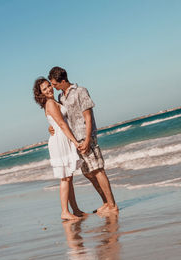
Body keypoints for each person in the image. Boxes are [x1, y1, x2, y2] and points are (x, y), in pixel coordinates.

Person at [48, 66, 118, 214]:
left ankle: (112, 205)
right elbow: (62, 120)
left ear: (63, 80)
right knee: (88, 173)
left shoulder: (81, 91)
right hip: (74, 142)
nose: (53, 87)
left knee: (98, 170)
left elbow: (88, 117)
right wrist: (52, 127)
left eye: (54, 84)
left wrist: (87, 140)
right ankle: (105, 202)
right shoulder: (61, 97)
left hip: (86, 137)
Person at [33, 77, 86, 220]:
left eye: (48, 86)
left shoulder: (54, 101)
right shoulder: (50, 103)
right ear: (41, 94)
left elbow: (56, 123)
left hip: (62, 138)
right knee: (65, 178)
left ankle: (75, 210)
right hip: (60, 141)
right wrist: (75, 141)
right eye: (44, 89)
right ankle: (65, 211)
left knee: (69, 177)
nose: (49, 89)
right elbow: (62, 124)